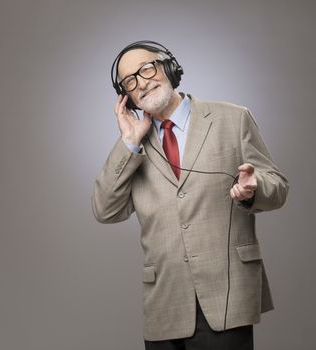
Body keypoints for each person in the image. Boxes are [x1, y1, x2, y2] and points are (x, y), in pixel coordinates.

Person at [91, 41, 289, 350]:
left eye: (147, 69)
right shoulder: (134, 146)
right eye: (130, 81)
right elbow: (104, 210)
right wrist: (128, 143)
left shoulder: (232, 118)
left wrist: (254, 190)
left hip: (227, 298)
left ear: (169, 67)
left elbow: (277, 188)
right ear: (126, 97)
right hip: (165, 304)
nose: (142, 83)